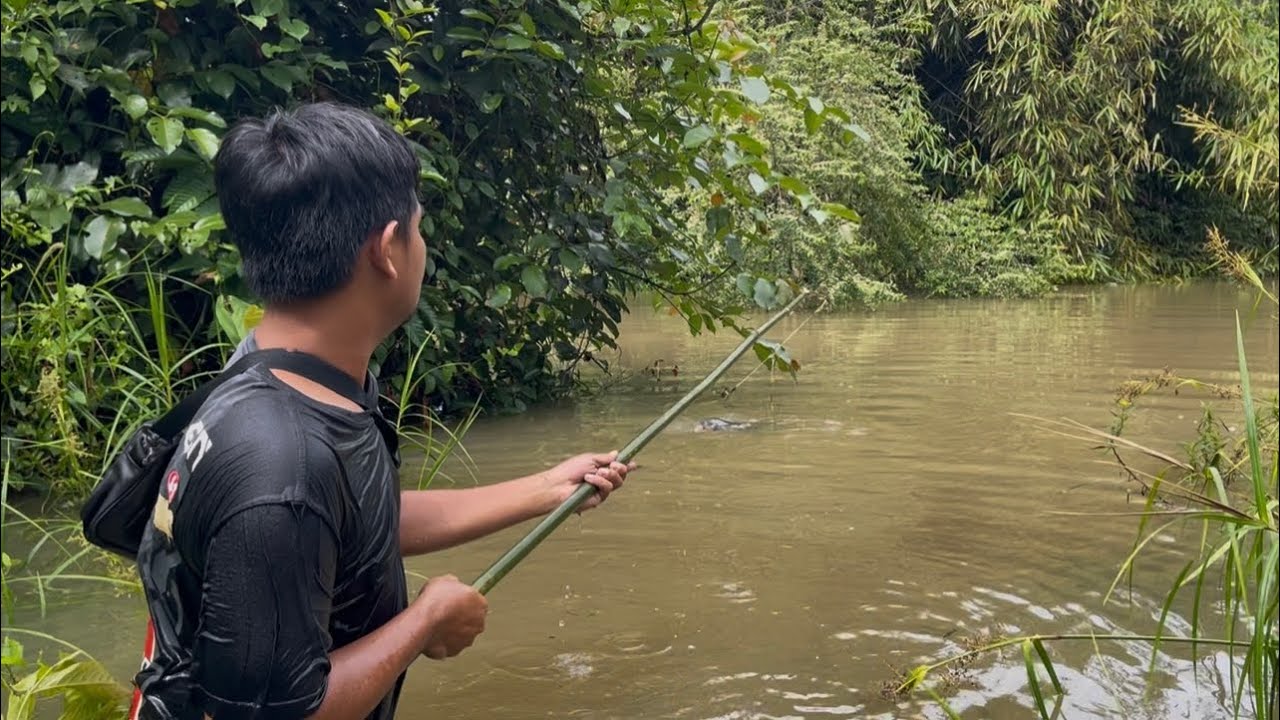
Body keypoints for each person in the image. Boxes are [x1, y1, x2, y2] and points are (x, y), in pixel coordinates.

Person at [130, 101, 635, 720]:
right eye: (418, 227)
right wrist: (423, 623)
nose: (423, 246)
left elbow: (349, 524)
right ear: (389, 248)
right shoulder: (280, 461)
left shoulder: (284, 375)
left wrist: (546, 489)